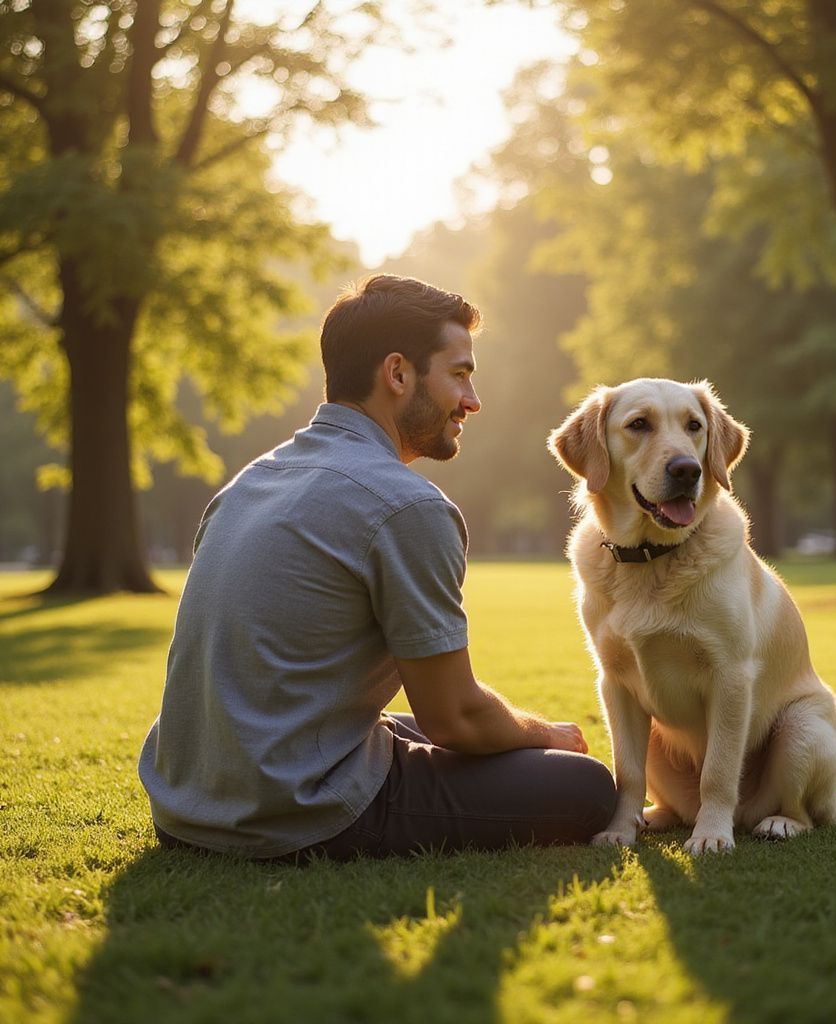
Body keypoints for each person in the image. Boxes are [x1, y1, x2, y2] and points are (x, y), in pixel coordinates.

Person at [138, 274, 615, 862]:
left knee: (464, 737)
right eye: (460, 373)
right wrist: (546, 734)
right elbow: (456, 720)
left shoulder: (250, 482)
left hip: (187, 808)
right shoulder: (406, 505)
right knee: (586, 786)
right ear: (397, 374)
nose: (472, 400)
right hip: (298, 812)